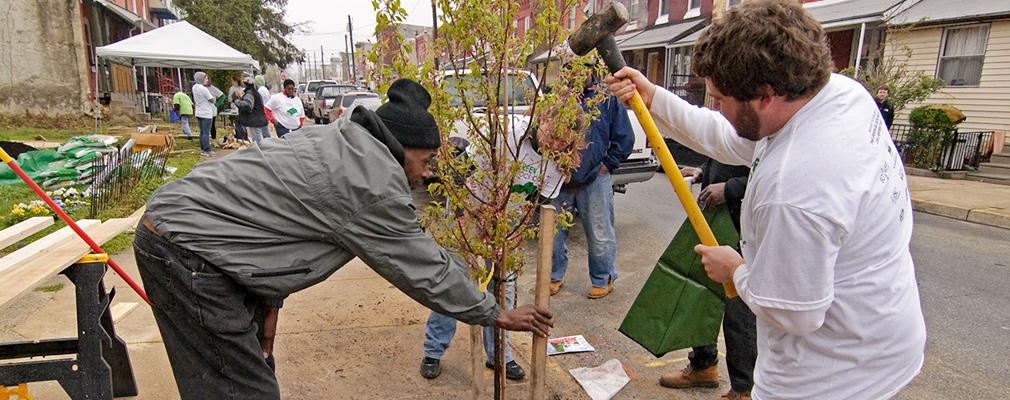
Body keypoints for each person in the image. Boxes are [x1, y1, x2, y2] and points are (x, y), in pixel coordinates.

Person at [133, 78, 554, 400]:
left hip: (197, 236)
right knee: (239, 390)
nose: (428, 173)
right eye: (426, 161)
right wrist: (494, 313)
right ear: (403, 149)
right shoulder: (371, 181)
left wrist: (269, 301)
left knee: (252, 371)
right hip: (185, 247)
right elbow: (423, 267)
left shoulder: (338, 139)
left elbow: (276, 219)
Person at [606, 1, 925, 399]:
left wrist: (735, 270)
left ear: (765, 95)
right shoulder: (838, 95)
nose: (715, 107)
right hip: (884, 331)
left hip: (829, 377)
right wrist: (654, 97)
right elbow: (729, 138)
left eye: (720, 98)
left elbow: (794, 313)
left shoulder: (795, 187)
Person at [419, 109, 588, 381]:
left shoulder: (559, 161)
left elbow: (536, 203)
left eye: (564, 143)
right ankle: (433, 350)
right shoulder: (508, 134)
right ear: (542, 119)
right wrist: (464, 220)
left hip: (508, 218)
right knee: (452, 280)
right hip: (472, 205)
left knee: (503, 286)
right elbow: (462, 172)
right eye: (554, 136)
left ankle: (499, 355)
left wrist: (515, 233)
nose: (556, 145)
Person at [660, 162, 755, 400]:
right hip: (714, 219)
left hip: (740, 227)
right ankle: (704, 366)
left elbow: (769, 172)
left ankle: (744, 390)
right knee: (701, 293)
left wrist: (731, 188)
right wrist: (704, 170)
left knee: (739, 311)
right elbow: (727, 154)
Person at [550, 66, 634, 299]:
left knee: (600, 234)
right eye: (569, 69)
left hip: (595, 179)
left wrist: (606, 166)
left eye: (581, 68)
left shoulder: (606, 99)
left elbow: (625, 138)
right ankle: (554, 275)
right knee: (553, 234)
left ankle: (603, 278)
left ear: (591, 69)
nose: (575, 74)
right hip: (559, 179)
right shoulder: (556, 98)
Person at [233, 76, 271, 144]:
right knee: (268, 140)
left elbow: (248, 105)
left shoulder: (249, 93)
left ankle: (259, 154)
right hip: (262, 118)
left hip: (255, 120)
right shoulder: (256, 93)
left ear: (245, 84)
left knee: (257, 142)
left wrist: (236, 101)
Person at [191, 71, 216, 156]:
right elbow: (211, 100)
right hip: (206, 112)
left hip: (198, 111)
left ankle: (203, 148)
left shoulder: (194, 87)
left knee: (202, 131)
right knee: (206, 132)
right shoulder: (203, 89)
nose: (207, 80)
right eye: (205, 78)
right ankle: (206, 149)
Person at [228, 76, 248, 141]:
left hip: (240, 107)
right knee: (236, 122)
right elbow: (229, 98)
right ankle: (239, 135)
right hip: (234, 107)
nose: (231, 82)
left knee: (241, 122)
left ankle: (244, 135)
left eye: (232, 81)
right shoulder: (231, 89)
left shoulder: (241, 88)